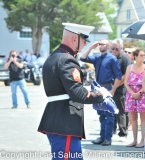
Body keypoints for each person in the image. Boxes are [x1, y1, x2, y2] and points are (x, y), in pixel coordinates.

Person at [37, 23, 104, 160]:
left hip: (59, 120)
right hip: (65, 122)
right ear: (75, 39)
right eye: (84, 40)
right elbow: (78, 94)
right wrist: (101, 96)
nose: (85, 44)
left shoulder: (54, 57)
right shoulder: (67, 60)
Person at [80, 38, 122, 146]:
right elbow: (82, 58)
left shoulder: (112, 58)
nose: (100, 46)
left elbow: (118, 76)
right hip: (98, 89)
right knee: (101, 114)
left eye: (102, 44)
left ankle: (108, 138)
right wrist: (91, 47)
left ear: (108, 46)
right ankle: (102, 137)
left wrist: (113, 90)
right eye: (99, 45)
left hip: (107, 88)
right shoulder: (97, 57)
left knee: (109, 115)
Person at [124, 48, 145, 148]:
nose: (144, 57)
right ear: (136, 56)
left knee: (143, 119)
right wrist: (132, 93)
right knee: (133, 118)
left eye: (144, 55)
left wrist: (139, 92)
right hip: (131, 94)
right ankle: (134, 140)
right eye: (142, 55)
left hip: (142, 93)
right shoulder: (129, 67)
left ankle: (143, 140)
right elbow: (125, 82)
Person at [111, 39, 131, 141]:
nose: (114, 50)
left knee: (121, 111)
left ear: (121, 49)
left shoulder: (124, 59)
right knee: (110, 110)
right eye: (113, 48)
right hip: (109, 88)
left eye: (117, 49)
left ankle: (123, 133)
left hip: (120, 89)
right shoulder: (109, 57)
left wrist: (115, 87)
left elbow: (125, 76)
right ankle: (112, 130)